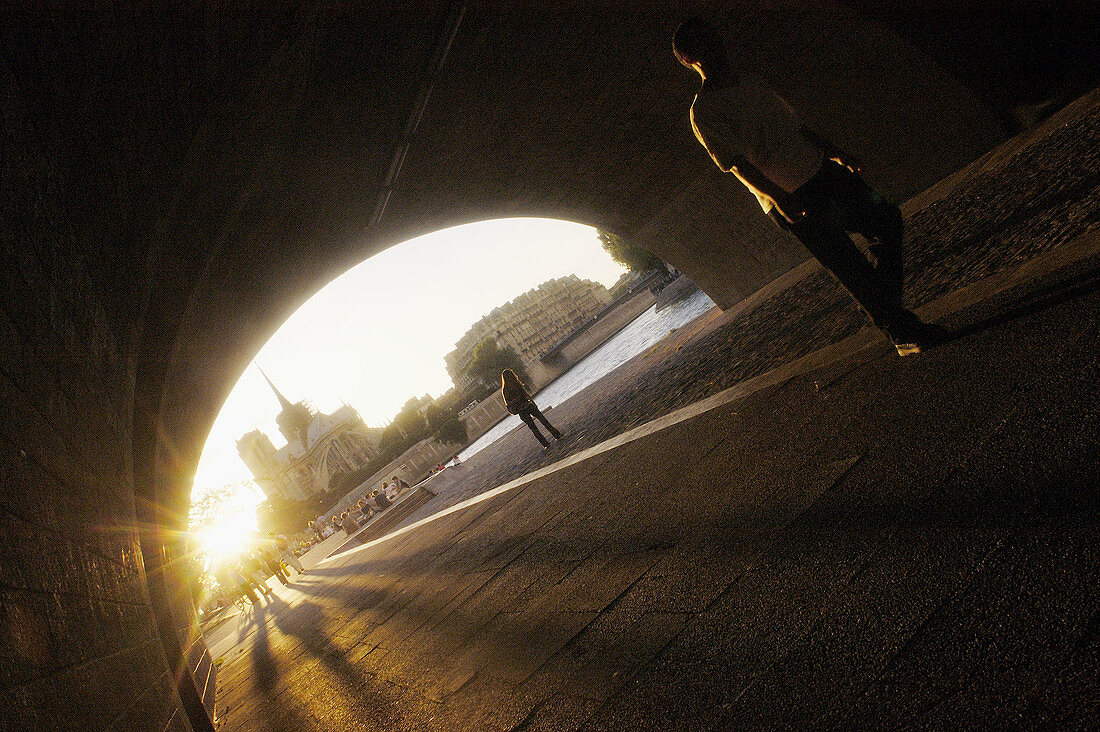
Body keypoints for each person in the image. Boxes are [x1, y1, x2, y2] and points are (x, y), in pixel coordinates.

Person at [672, 18, 945, 356]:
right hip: (790, 198)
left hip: (822, 173)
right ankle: (903, 332)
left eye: (714, 37)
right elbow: (735, 163)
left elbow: (796, 127)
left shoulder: (753, 83)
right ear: (688, 59)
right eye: (703, 43)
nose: (715, 46)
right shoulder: (704, 111)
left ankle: (891, 315)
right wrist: (778, 197)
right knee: (848, 265)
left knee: (887, 220)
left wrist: (838, 154)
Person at [501, 369, 562, 448]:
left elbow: (507, 403)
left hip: (521, 411)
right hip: (528, 405)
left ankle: (545, 444)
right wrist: (533, 403)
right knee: (543, 420)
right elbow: (525, 394)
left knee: (533, 428)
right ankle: (556, 435)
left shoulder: (505, 389)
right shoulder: (516, 383)